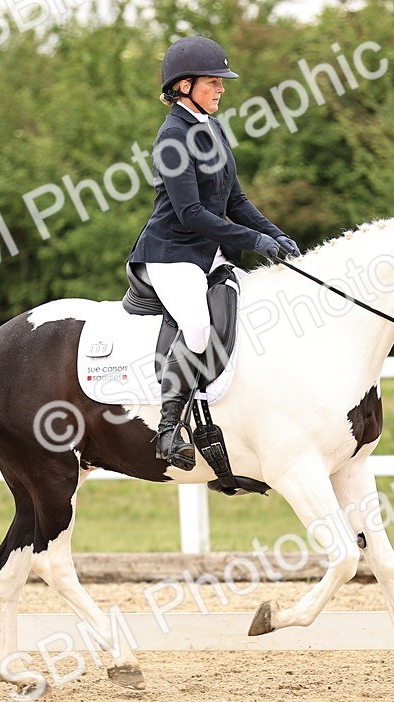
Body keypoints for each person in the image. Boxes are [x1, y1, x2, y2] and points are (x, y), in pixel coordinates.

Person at [127, 36, 300, 470]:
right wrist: (254, 243)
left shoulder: (213, 127)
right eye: (212, 82)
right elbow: (190, 214)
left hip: (208, 253)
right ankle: (168, 431)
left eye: (221, 82)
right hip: (172, 253)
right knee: (198, 326)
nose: (222, 88)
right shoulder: (172, 139)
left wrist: (277, 236)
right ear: (183, 86)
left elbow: (236, 201)